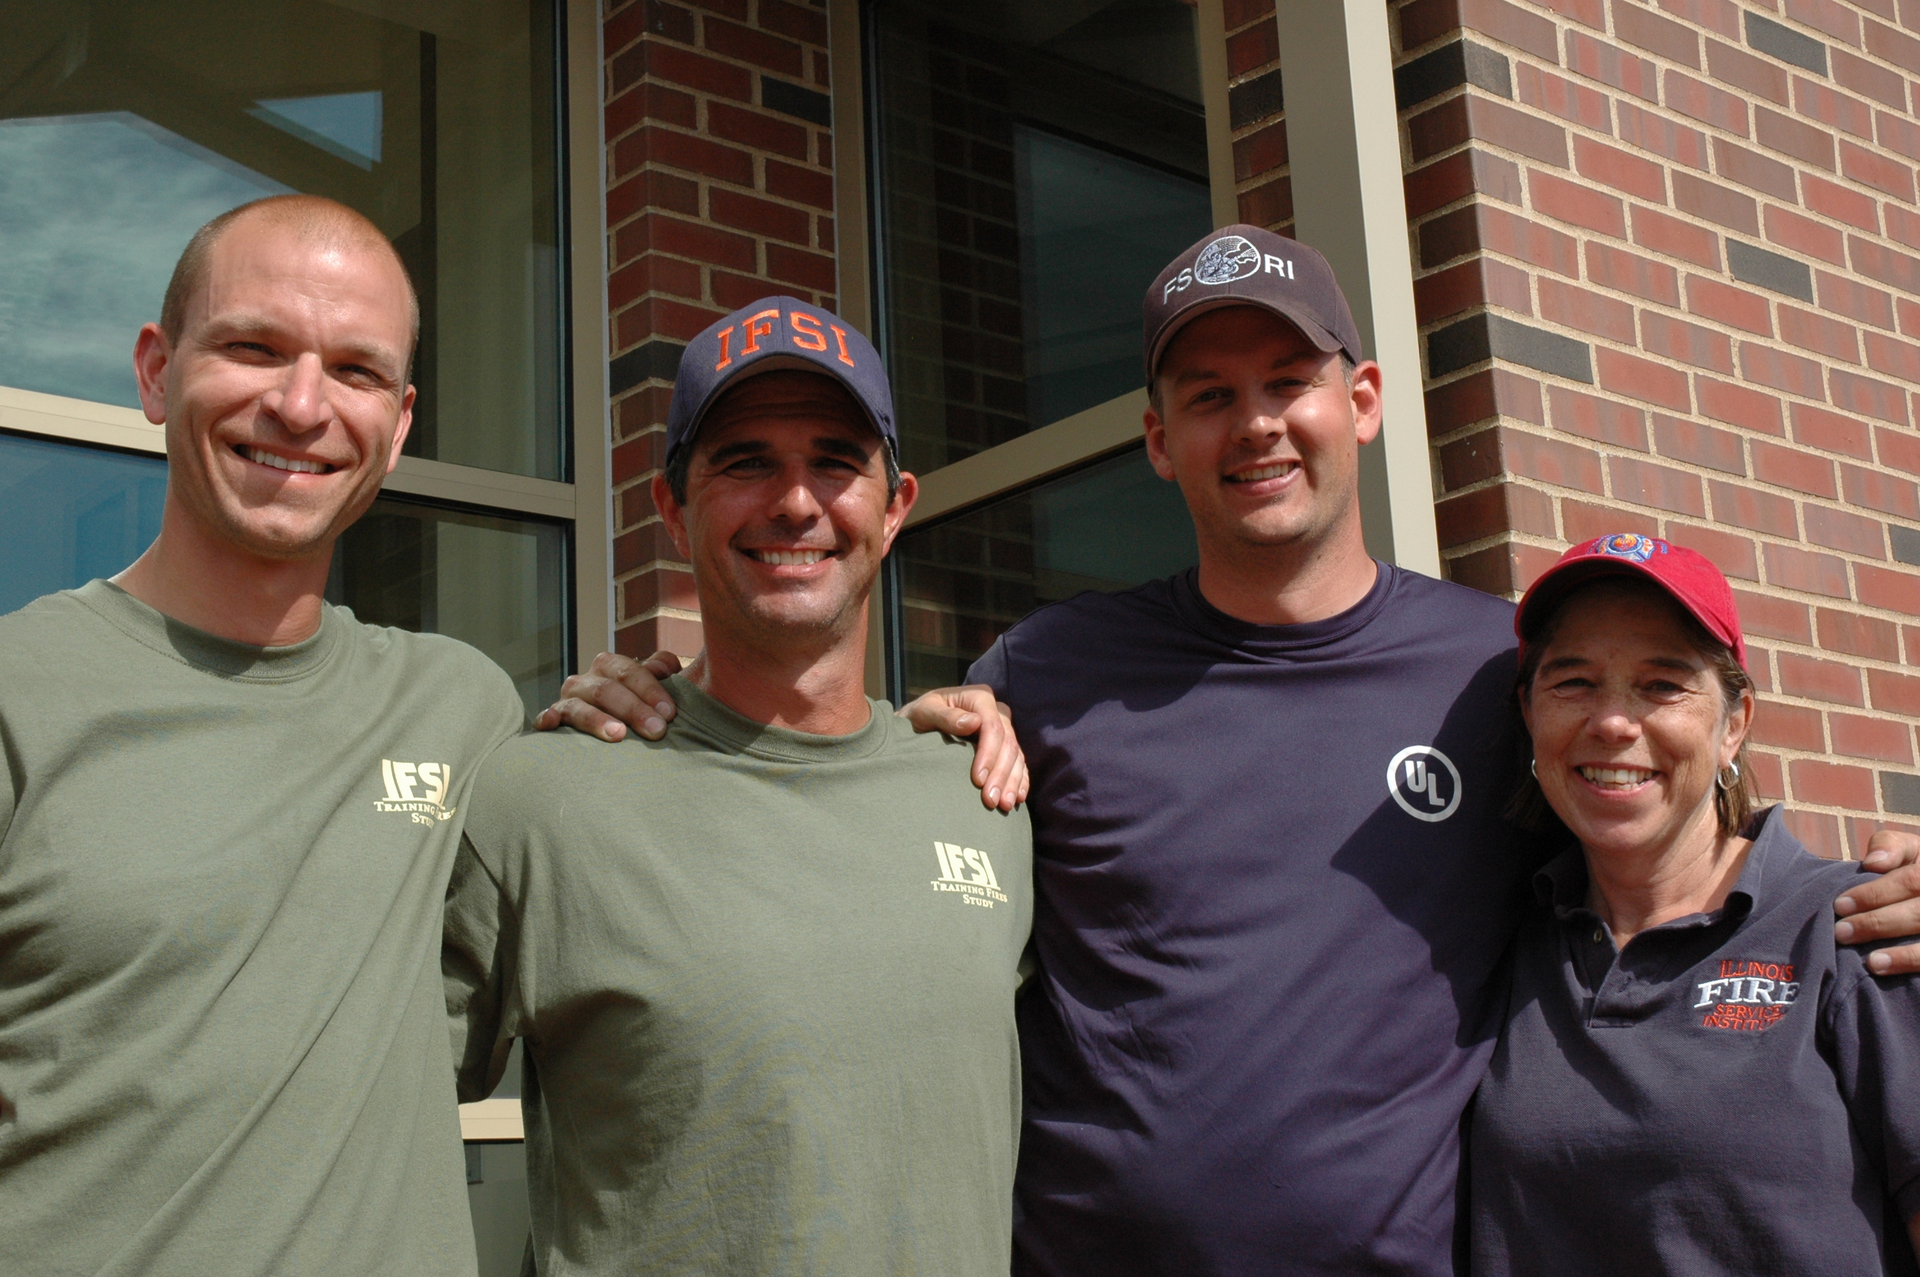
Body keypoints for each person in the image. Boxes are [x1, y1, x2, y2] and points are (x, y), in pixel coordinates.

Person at [559, 225, 1920, 1274]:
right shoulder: (1047, 673)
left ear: (1363, 399)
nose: (1256, 421)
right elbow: (846, 786)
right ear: (1158, 439)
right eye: (1208, 393)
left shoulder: (1489, 672)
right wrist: (668, 708)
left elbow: (1656, 799)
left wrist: (1864, 887)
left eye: (1289, 380)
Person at [0, 194, 642, 1276]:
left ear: (398, 423)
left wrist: (921, 738)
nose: (301, 406)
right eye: (254, 348)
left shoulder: (461, 708)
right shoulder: (21, 692)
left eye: (354, 370)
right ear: (157, 371)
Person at [442, 297, 1033, 1275]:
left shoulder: (987, 798)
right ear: (673, 508)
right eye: (746, 461)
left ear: (895, 507)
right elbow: (354, 1121)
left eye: (835, 460)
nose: (795, 501)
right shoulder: (543, 802)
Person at [1472, 534, 1920, 1274]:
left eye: (1661, 684)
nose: (1613, 722)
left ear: (1732, 724)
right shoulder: (1490, 946)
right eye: (1573, 682)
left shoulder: (1858, 928)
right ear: (1528, 713)